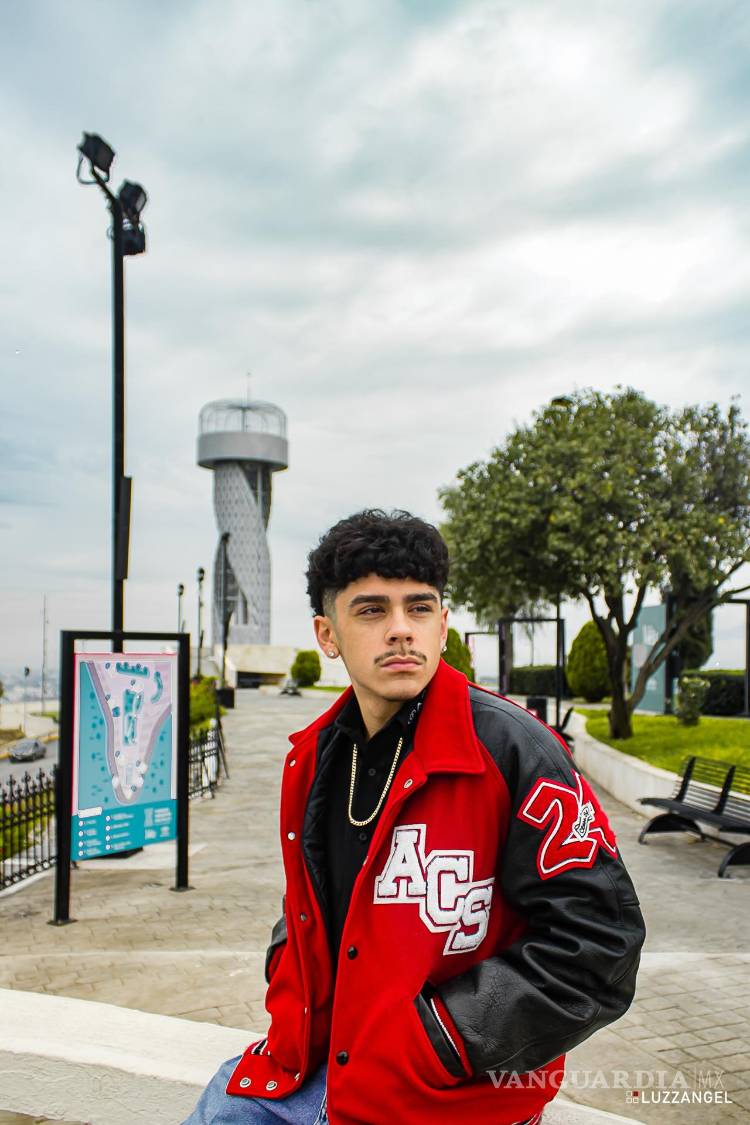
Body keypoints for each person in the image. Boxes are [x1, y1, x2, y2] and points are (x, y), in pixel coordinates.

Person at [183, 509, 646, 1125]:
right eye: (372, 611)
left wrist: (439, 1039)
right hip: (306, 1070)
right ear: (328, 635)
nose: (401, 630)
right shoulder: (316, 756)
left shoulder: (514, 752)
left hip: (445, 1099)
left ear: (444, 624)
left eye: (419, 608)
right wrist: (288, 978)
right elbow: (310, 904)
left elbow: (600, 944)